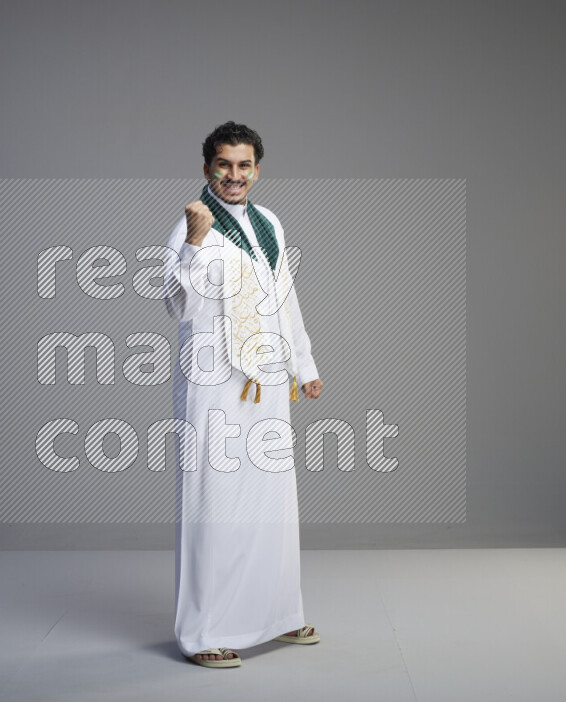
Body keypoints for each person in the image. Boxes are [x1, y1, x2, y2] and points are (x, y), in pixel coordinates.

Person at [164, 121, 324, 668]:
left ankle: (277, 614)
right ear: (207, 167)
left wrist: (304, 365)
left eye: (245, 165)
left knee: (272, 499)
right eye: (224, 165)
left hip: (269, 378)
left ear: (257, 169)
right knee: (215, 502)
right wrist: (191, 242)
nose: (235, 176)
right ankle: (203, 631)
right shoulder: (191, 225)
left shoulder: (270, 222)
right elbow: (177, 307)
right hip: (214, 382)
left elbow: (285, 295)